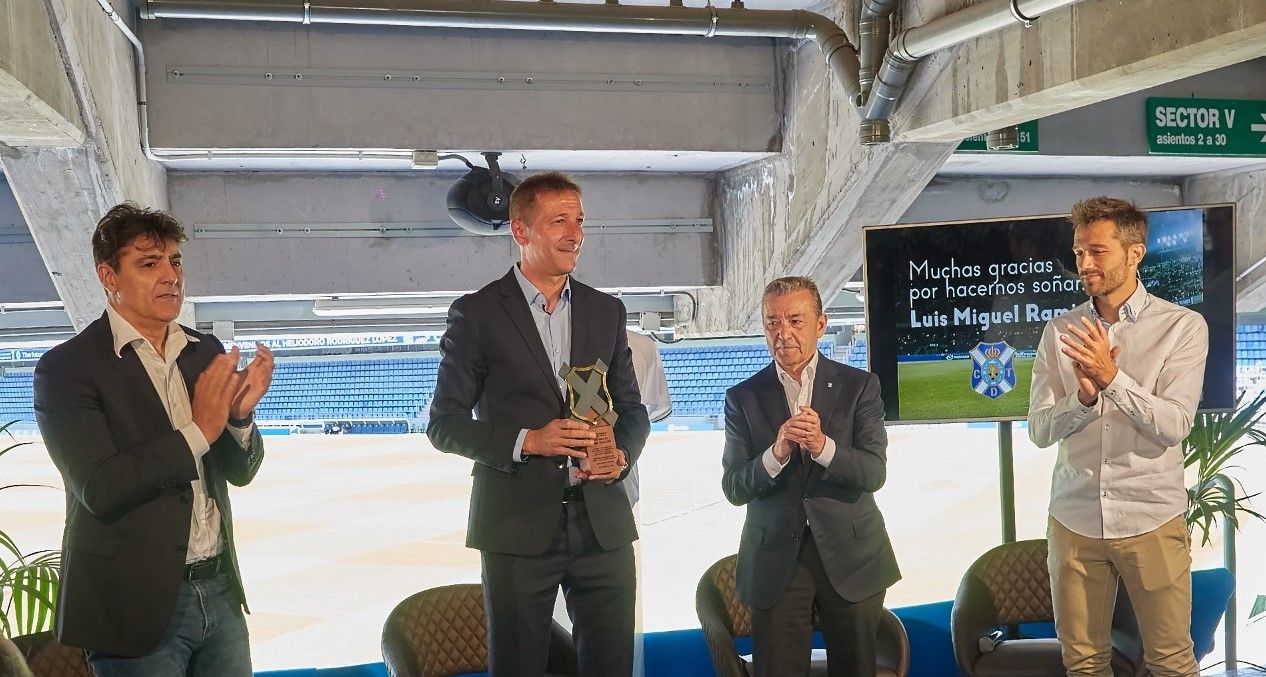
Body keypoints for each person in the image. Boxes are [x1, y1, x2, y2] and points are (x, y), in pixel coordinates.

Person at [33, 203, 273, 677]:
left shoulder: (204, 350)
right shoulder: (67, 369)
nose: (171, 276)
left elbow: (239, 472)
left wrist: (238, 419)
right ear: (109, 276)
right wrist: (199, 430)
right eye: (149, 263)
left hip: (220, 592)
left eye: (175, 262)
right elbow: (101, 487)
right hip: (134, 607)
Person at [428, 172, 650, 676]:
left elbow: (632, 412)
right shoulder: (477, 314)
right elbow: (444, 425)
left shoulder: (606, 311)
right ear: (521, 231)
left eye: (579, 221)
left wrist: (622, 455)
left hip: (603, 523)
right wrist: (530, 441)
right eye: (559, 222)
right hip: (517, 526)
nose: (575, 234)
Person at [1029, 196, 1207, 677]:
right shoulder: (1060, 329)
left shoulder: (1182, 327)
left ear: (1135, 253)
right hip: (1074, 517)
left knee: (1170, 661)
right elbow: (1040, 431)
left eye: (1097, 251)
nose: (1084, 263)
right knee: (1083, 664)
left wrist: (1113, 380)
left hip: (1151, 514)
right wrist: (1083, 400)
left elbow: (1174, 425)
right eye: (1079, 251)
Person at [721, 276, 900, 677]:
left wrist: (822, 447)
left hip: (852, 559)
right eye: (772, 323)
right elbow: (734, 487)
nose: (783, 333)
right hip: (775, 564)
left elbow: (874, 472)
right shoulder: (742, 398)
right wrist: (776, 453)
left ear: (821, 324)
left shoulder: (860, 387)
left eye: (795, 321)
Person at [622, 328, 672, 506]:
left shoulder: (642, 345)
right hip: (623, 485)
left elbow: (642, 418)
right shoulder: (642, 345)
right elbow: (651, 413)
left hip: (622, 480)